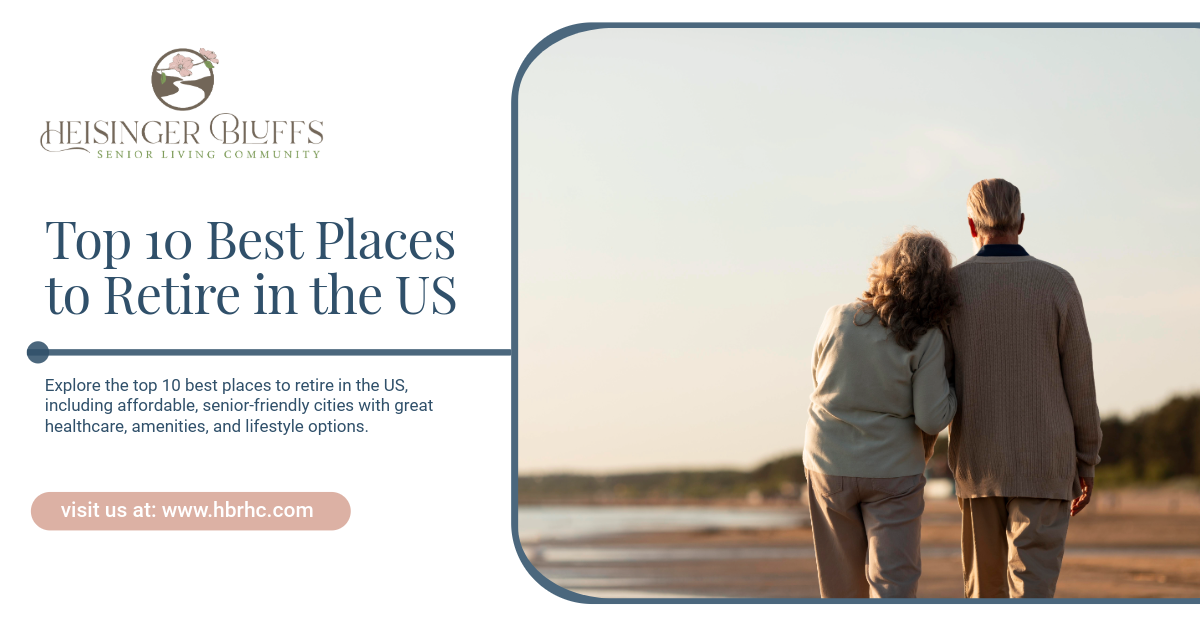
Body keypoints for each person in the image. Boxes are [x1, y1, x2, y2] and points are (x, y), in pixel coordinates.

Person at [948, 178, 1103, 598]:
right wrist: (1086, 460)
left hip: (978, 463)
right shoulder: (1058, 284)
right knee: (1034, 596)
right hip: (1045, 462)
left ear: (970, 225)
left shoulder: (951, 289)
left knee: (985, 595)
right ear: (1020, 221)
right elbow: (1081, 384)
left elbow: (936, 383)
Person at [804, 229, 959, 598]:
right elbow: (931, 418)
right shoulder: (928, 337)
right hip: (893, 470)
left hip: (828, 462)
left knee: (840, 588)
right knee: (894, 585)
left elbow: (818, 376)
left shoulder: (837, 317)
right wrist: (955, 392)